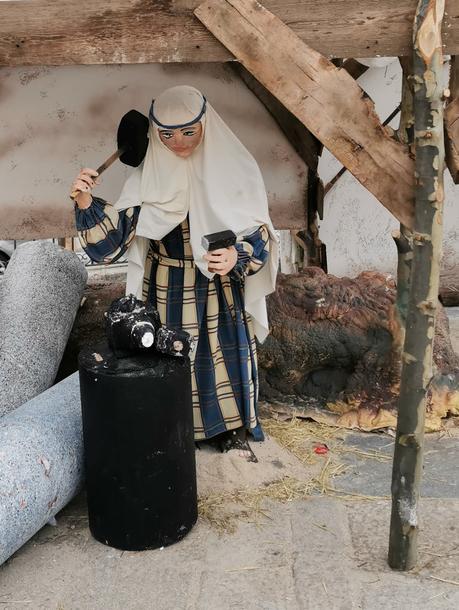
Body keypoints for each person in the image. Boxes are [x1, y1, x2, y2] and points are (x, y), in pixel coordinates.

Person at [71, 85, 279, 462]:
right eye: (166, 134)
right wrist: (86, 202)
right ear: (154, 132)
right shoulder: (147, 177)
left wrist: (237, 255)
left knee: (219, 358)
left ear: (205, 125)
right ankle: (173, 428)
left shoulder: (234, 167)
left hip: (218, 288)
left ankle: (229, 430)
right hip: (165, 288)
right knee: (169, 357)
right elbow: (110, 243)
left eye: (188, 131)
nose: (178, 142)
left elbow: (260, 229)